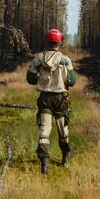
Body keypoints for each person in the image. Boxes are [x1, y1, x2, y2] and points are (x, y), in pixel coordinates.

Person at [25, 28, 76, 174]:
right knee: (63, 131)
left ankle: (44, 165)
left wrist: (40, 77)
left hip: (45, 99)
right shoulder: (66, 60)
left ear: (47, 42)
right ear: (60, 43)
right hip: (61, 100)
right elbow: (72, 81)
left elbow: (30, 79)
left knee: (44, 132)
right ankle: (66, 155)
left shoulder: (38, 59)